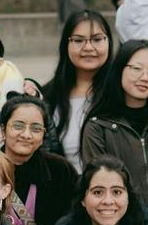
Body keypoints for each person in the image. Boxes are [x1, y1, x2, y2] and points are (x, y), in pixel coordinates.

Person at [81, 38, 148, 225]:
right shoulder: (98, 127)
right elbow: (98, 188)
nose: (145, 77)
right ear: (119, 70)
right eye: (137, 69)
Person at [0, 94, 78, 225]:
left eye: (35, 128)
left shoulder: (60, 169)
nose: (27, 135)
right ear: (4, 129)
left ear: (43, 135)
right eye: (18, 126)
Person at [41, 10, 113, 172]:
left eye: (97, 39)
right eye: (78, 40)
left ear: (109, 42)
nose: (88, 47)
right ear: (66, 44)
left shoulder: (121, 93)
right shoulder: (48, 98)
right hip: (66, 193)